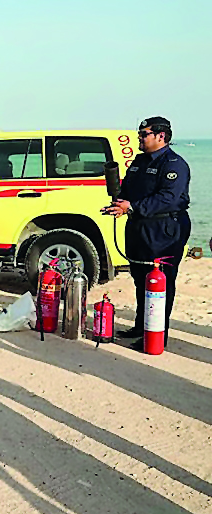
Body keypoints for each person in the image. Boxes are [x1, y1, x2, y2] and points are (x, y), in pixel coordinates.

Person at [104, 117, 191, 350]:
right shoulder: (140, 161)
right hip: (139, 228)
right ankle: (142, 325)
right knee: (140, 278)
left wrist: (131, 207)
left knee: (160, 281)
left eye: (144, 134)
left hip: (164, 230)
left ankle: (157, 334)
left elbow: (168, 198)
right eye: (140, 133)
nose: (139, 138)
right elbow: (131, 191)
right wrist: (119, 202)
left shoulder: (173, 164)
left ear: (161, 136)